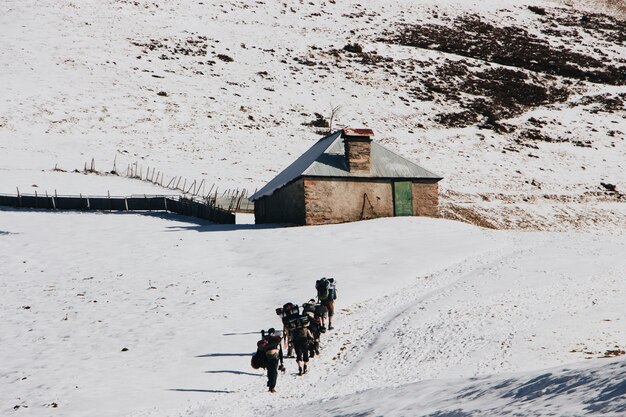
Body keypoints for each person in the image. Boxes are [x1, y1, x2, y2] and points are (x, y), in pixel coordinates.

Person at [263, 328, 284, 393]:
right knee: (274, 371)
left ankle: (270, 383)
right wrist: (281, 362)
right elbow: (280, 352)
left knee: (269, 370)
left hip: (267, 356)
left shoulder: (266, 339)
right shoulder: (277, 339)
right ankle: (272, 387)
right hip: (275, 356)